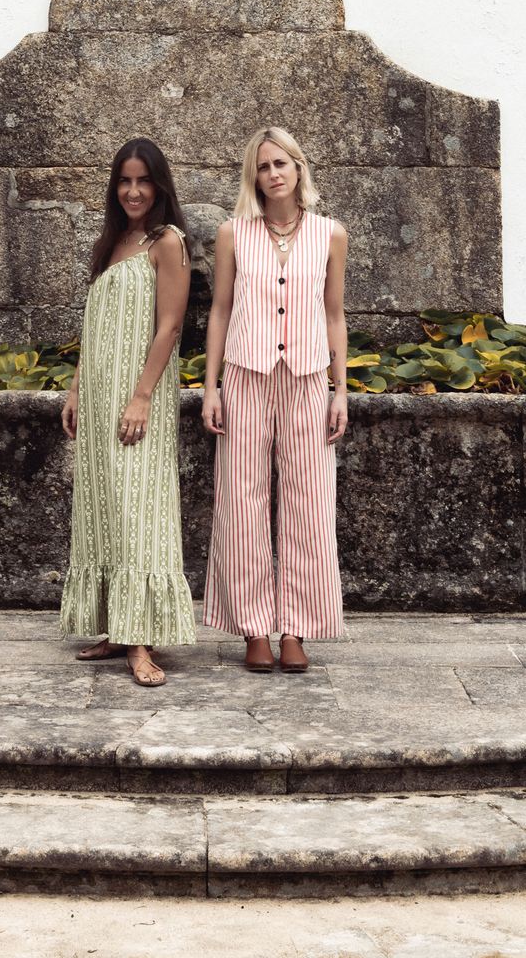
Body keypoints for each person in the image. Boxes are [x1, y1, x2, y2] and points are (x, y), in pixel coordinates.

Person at [202, 127, 347, 672]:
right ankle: (255, 628)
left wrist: (341, 391)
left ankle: (298, 628)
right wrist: (211, 386)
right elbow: (218, 310)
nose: (274, 174)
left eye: (282, 163)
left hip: (308, 378)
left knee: (308, 503)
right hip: (245, 375)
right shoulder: (233, 233)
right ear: (254, 176)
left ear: (299, 168)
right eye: (263, 166)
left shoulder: (330, 234)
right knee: (241, 502)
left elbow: (334, 315)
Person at [60, 137, 195, 686]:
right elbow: (96, 330)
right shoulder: (113, 243)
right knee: (105, 505)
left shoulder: (170, 242)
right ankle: (116, 628)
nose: (133, 190)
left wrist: (141, 395)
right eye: (124, 181)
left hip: (140, 395)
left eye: (143, 180)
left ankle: (141, 642)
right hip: (98, 395)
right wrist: (74, 390)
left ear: (159, 185)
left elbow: (170, 326)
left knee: (140, 507)